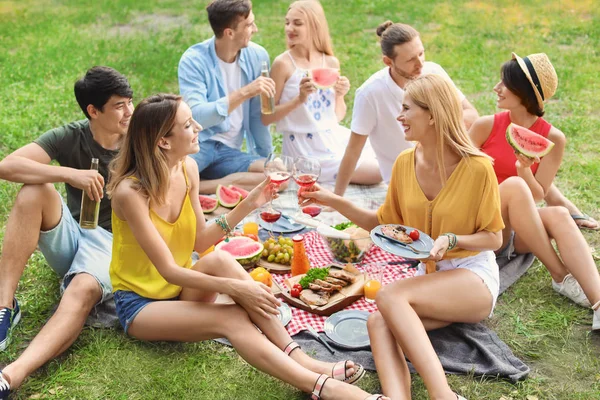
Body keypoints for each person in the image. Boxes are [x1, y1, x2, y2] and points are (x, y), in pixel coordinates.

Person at [105, 93, 386, 400]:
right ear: (163, 142)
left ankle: (300, 358)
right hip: (141, 304)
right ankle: (321, 387)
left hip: (181, 292)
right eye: (188, 124)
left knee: (224, 261)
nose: (198, 127)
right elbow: (169, 271)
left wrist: (252, 201)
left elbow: (200, 241)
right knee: (231, 315)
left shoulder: (186, 170)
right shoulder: (130, 193)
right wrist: (237, 289)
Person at [300, 74, 503, 400]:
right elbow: (381, 223)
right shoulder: (405, 164)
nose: (399, 116)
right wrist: (330, 199)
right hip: (428, 280)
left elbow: (494, 238)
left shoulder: (478, 168)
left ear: (433, 114)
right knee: (378, 324)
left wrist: (452, 241)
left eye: (407, 109)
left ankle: (443, 395)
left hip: (472, 276)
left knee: (390, 296)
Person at [0, 66, 133, 398]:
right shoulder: (72, 136)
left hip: (115, 246)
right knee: (34, 190)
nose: (129, 111)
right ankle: (5, 306)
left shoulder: (138, 137)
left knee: (83, 289)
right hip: (76, 235)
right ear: (93, 111)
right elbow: (7, 166)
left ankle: (9, 377)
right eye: (119, 105)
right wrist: (71, 175)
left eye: (130, 102)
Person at [469, 52, 600, 327]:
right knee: (515, 187)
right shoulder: (485, 126)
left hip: (519, 227)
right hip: (483, 225)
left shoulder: (553, 138)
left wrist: (524, 169)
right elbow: (457, 175)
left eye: (504, 83)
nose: (496, 88)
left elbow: (539, 195)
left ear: (524, 92)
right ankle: (561, 274)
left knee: (560, 216)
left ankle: (598, 303)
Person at [334, 21, 479, 196]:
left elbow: (471, 114)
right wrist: (337, 198)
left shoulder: (434, 72)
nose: (420, 64)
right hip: (406, 183)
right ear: (388, 61)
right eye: (411, 59)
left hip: (446, 169)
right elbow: (353, 150)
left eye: (421, 53)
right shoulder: (370, 94)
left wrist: (441, 131)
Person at [260, 0, 381, 184]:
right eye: (287, 22)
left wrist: (340, 95)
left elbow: (336, 116)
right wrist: (299, 99)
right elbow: (266, 118)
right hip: (303, 149)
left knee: (384, 149)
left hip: (333, 137)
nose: (289, 28)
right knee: (377, 173)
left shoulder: (331, 63)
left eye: (297, 23)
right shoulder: (282, 64)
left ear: (314, 26)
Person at [178, 0, 276, 194]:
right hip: (199, 145)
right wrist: (245, 92)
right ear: (229, 33)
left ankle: (214, 183)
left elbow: (258, 115)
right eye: (248, 25)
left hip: (229, 152)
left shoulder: (258, 56)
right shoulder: (193, 61)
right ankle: (209, 183)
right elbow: (196, 115)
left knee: (278, 175)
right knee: (169, 183)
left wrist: (267, 158)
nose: (255, 29)